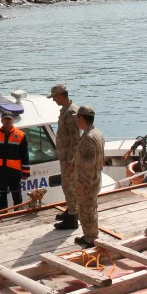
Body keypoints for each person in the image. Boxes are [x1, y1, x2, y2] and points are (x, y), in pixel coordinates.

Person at [48, 84, 81, 231]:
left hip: (69, 157)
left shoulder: (71, 112)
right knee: (66, 184)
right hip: (65, 155)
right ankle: (71, 210)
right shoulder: (65, 110)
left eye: (54, 97)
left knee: (69, 186)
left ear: (61, 95)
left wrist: (71, 159)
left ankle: (72, 219)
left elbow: (76, 139)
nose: (54, 100)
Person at [0, 112, 31, 210]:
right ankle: (2, 216)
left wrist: (25, 172)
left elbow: (25, 155)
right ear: (2, 121)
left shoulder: (21, 135)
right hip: (0, 172)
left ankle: (17, 215)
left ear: (13, 121)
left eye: (9, 119)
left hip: (15, 172)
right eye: (5, 119)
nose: (7, 121)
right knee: (1, 197)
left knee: (17, 197)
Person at [72, 106, 105, 247]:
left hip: (87, 182)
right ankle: (89, 235)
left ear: (81, 118)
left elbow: (88, 165)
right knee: (90, 207)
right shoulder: (97, 133)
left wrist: (81, 184)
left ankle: (91, 239)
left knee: (87, 210)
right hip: (95, 178)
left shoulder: (88, 139)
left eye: (77, 118)